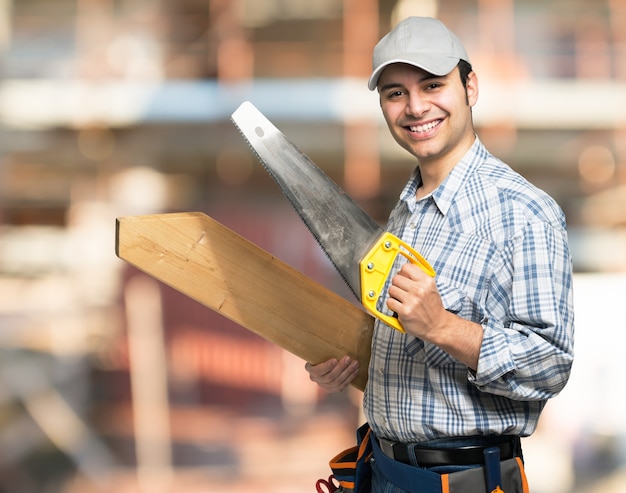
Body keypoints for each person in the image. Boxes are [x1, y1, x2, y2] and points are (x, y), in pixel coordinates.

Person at [305, 16, 574, 493]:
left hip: (463, 480)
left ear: (470, 86)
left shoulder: (524, 212)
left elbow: (550, 365)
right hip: (384, 470)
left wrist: (443, 326)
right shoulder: (407, 213)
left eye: (432, 85)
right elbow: (416, 355)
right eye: (395, 93)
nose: (415, 107)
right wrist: (348, 362)